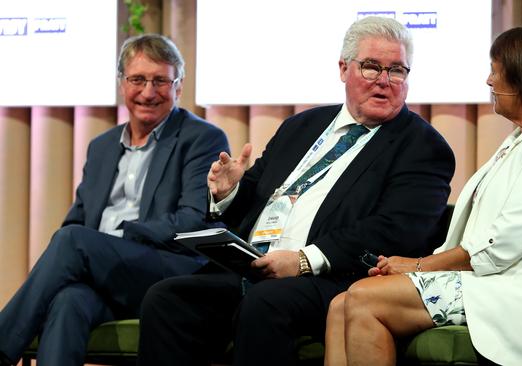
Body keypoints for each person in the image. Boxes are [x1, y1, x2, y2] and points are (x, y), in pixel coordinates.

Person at [137, 16, 455, 366]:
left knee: (266, 303)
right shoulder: (300, 128)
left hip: (334, 280)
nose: (384, 81)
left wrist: (303, 261)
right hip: (254, 268)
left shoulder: (423, 147)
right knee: (166, 298)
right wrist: (228, 192)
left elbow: (396, 230)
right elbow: (253, 199)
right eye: (371, 67)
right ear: (343, 68)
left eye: (396, 70)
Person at [324, 26, 522, 366]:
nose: (489, 81)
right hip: (492, 282)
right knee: (341, 304)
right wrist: (416, 270)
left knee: (363, 300)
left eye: (496, 71)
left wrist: (417, 266)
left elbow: (501, 243)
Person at [0, 34, 229, 366]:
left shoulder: (203, 138)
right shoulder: (102, 146)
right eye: (138, 79)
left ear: (178, 87)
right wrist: (97, 250)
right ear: (122, 83)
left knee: (72, 242)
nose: (148, 92)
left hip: (163, 270)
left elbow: (191, 222)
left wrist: (117, 238)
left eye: (160, 81)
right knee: (68, 301)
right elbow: (77, 220)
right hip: (105, 275)